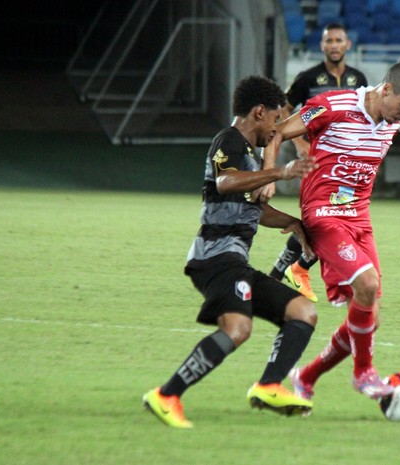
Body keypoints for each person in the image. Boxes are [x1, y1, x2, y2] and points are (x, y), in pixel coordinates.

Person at [142, 75, 319, 428]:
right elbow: (226, 183)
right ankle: (166, 395)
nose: (278, 127)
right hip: (215, 258)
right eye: (276, 117)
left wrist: (294, 223)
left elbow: (253, 207)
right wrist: (280, 173)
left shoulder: (250, 155)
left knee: (302, 312)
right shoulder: (230, 141)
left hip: (234, 261)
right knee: (238, 328)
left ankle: (269, 385)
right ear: (259, 112)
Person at [263, 57, 400, 401]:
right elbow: (278, 130)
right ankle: (363, 373)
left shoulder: (390, 118)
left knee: (371, 318)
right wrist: (270, 174)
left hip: (359, 217)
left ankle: (305, 378)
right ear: (386, 90)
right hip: (323, 212)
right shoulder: (332, 106)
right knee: (367, 285)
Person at [267, 22, 368, 304]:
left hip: (346, 164)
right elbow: (284, 109)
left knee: (327, 222)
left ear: (347, 45)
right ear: (322, 46)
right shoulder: (307, 78)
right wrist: (299, 143)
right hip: (317, 162)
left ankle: (283, 272)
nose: (334, 45)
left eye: (339, 40)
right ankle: (293, 271)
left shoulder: (358, 79)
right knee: (324, 219)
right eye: (329, 41)